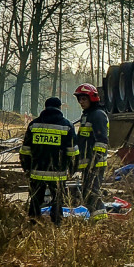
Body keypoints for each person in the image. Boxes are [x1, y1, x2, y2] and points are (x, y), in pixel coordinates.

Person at [20, 97, 79, 226]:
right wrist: (72, 170)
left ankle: (32, 224)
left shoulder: (34, 125)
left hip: (36, 172)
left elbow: (25, 151)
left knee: (35, 200)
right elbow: (73, 152)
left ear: (45, 107)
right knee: (58, 199)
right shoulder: (67, 126)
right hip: (58, 173)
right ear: (59, 108)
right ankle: (57, 224)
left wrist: (27, 168)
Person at [74, 84, 110, 219]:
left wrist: (94, 161)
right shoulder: (87, 115)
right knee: (86, 193)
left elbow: (101, 141)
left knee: (93, 193)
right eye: (80, 100)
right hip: (87, 164)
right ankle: (93, 219)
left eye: (84, 99)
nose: (81, 102)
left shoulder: (98, 115)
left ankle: (101, 221)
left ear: (92, 98)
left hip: (95, 164)